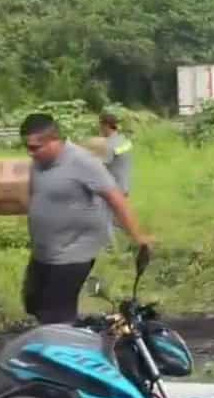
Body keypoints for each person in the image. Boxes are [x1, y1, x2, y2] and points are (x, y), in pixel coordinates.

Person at [21, 113, 154, 324]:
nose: (30, 153)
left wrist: (138, 236)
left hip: (73, 251)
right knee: (33, 302)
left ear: (54, 140)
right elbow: (37, 195)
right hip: (44, 250)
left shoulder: (82, 162)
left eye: (35, 147)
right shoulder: (38, 162)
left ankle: (64, 340)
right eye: (27, 147)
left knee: (55, 314)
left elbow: (117, 199)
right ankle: (65, 333)